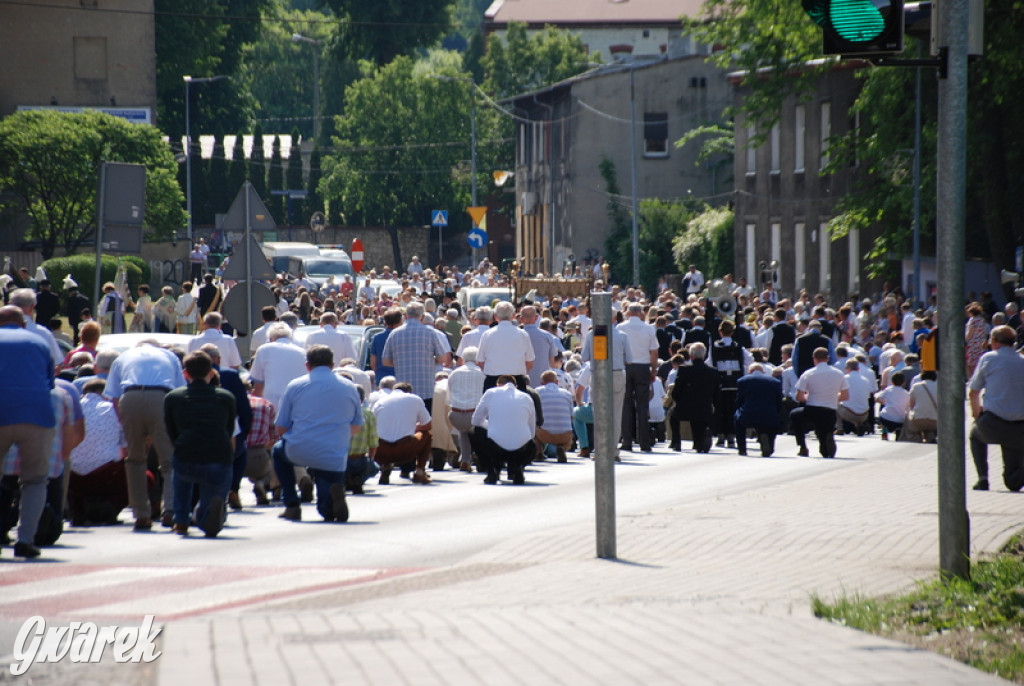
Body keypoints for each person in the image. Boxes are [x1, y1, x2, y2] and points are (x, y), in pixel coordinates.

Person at [272, 345, 363, 522]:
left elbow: (281, 427)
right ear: (332, 364)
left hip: (300, 448)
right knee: (326, 507)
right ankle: (332, 495)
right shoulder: (349, 387)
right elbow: (357, 426)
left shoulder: (295, 386)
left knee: (277, 451)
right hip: (334, 453)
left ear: (307, 365)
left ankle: (291, 504)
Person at [105, 339, 186, 530]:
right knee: (169, 461)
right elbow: (180, 390)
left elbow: (114, 398)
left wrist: (126, 425)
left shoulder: (123, 357)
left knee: (135, 460)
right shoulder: (170, 356)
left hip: (130, 397)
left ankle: (141, 514)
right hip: (161, 397)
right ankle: (171, 510)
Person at [0, 306, 56, 558]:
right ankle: (26, 539)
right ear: (23, 323)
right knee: (35, 480)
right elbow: (50, 383)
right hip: (36, 414)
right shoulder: (39, 342)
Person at [164, 351, 237, 537]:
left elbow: (171, 430)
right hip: (218, 456)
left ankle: (180, 519)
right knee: (215, 484)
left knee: (180, 476)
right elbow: (228, 430)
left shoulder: (173, 397)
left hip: (186, 454)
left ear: (185, 373)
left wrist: (180, 445)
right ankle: (208, 510)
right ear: (211, 372)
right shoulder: (226, 397)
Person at [67, 379, 131, 526]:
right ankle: (111, 508)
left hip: (73, 476)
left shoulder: (72, 409)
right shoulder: (113, 409)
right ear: (104, 393)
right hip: (106, 475)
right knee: (145, 477)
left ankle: (78, 511)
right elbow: (126, 448)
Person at [968, 325, 1024, 491]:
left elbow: (973, 391)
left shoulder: (989, 358)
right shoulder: (1022, 361)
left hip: (993, 422)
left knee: (975, 435)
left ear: (994, 341)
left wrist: (976, 414)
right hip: (1019, 427)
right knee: (1012, 482)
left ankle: (983, 478)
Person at [381, 301, 450, 410]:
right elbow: (443, 358)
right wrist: (430, 360)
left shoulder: (394, 334)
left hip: (403, 389)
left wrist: (401, 362)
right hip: (426, 388)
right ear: (422, 317)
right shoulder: (431, 333)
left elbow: (385, 361)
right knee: (425, 424)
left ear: (405, 316)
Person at [471, 375, 537, 485]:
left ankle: (491, 471)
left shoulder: (491, 393)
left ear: (498, 385)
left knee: (474, 431)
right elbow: (532, 431)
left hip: (496, 449)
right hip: (522, 450)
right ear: (516, 386)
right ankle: (518, 467)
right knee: (529, 441)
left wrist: (491, 425)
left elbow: (476, 421)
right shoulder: (526, 397)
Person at [791, 347, 850, 458]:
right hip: (830, 411)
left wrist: (807, 398)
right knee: (824, 431)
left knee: (794, 415)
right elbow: (845, 396)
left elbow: (799, 397)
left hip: (812, 409)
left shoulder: (808, 373)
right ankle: (827, 440)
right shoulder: (838, 374)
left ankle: (803, 447)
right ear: (827, 358)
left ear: (814, 359)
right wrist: (831, 397)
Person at [372, 382, 433, 485]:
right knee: (427, 434)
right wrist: (414, 427)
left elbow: (371, 425)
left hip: (380, 451)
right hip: (404, 450)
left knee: (381, 436)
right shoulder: (414, 399)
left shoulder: (380, 401)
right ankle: (419, 471)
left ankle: (385, 465)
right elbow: (428, 425)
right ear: (408, 391)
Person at [669, 342, 718, 453]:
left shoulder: (684, 369)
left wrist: (679, 401)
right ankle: (699, 441)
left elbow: (676, 391)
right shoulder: (712, 371)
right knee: (699, 420)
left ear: (691, 356)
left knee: (673, 414)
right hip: (704, 408)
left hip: (685, 407)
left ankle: (676, 441)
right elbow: (716, 393)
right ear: (704, 355)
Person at [477, 301, 534, 391]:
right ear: (514, 316)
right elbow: (530, 362)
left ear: (495, 316)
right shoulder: (523, 334)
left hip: (493, 381)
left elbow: (480, 361)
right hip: (516, 380)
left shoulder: (487, 334)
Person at [447, 346, 485, 471]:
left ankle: (465, 460)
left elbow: (448, 397)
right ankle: (479, 456)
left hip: (455, 415)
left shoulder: (454, 373)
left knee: (464, 432)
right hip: (474, 415)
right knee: (480, 430)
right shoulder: (481, 374)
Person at [733, 363, 783, 457]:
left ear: (749, 372)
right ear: (763, 372)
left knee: (737, 418)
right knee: (771, 424)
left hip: (748, 415)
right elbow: (778, 402)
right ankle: (769, 444)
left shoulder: (743, 380)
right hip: (769, 415)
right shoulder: (775, 382)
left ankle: (742, 449)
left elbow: (739, 401)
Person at [535, 370, 574, 462]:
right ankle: (562, 448)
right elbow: (571, 416)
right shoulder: (567, 394)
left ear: (542, 383)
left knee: (534, 430)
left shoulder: (537, 391)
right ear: (557, 382)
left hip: (543, 434)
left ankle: (539, 453)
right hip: (564, 435)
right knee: (569, 438)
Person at [837, 359, 873, 435]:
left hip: (849, 413)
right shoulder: (865, 380)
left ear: (847, 369)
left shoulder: (844, 378)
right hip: (864, 414)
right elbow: (868, 396)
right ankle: (860, 424)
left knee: (834, 401)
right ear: (858, 369)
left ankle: (839, 428)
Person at [902, 370, 938, 443]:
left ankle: (914, 438)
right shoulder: (939, 386)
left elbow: (911, 405)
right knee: (929, 428)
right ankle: (930, 437)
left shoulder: (916, 386)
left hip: (919, 420)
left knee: (909, 413)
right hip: (935, 421)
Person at [875, 372, 910, 440]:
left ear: (892, 382)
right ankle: (898, 433)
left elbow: (877, 398)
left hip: (886, 419)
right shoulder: (906, 393)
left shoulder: (888, 390)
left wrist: (882, 401)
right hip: (900, 420)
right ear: (903, 383)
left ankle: (884, 432)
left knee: (883, 412)